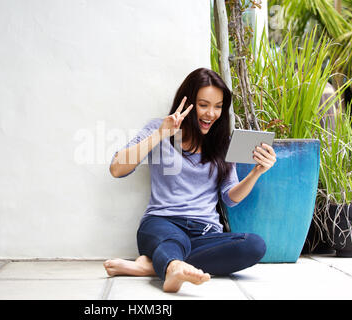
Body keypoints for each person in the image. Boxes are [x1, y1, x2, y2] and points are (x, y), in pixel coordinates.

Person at [105, 68, 276, 293]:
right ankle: (173, 267)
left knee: (254, 245)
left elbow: (230, 198)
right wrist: (160, 134)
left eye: (218, 107)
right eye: (204, 105)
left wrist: (257, 172)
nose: (211, 114)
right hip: (162, 223)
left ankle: (155, 265)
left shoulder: (222, 143)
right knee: (173, 239)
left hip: (205, 232)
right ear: (187, 103)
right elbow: (117, 169)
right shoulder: (159, 128)